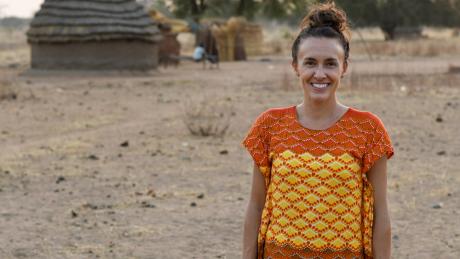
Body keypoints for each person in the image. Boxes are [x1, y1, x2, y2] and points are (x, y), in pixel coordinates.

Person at [242, 2, 394, 259]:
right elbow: (256, 205)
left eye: (330, 64)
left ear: (344, 67)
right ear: (295, 66)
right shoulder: (269, 125)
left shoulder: (368, 129)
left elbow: (381, 213)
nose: (320, 74)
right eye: (310, 63)